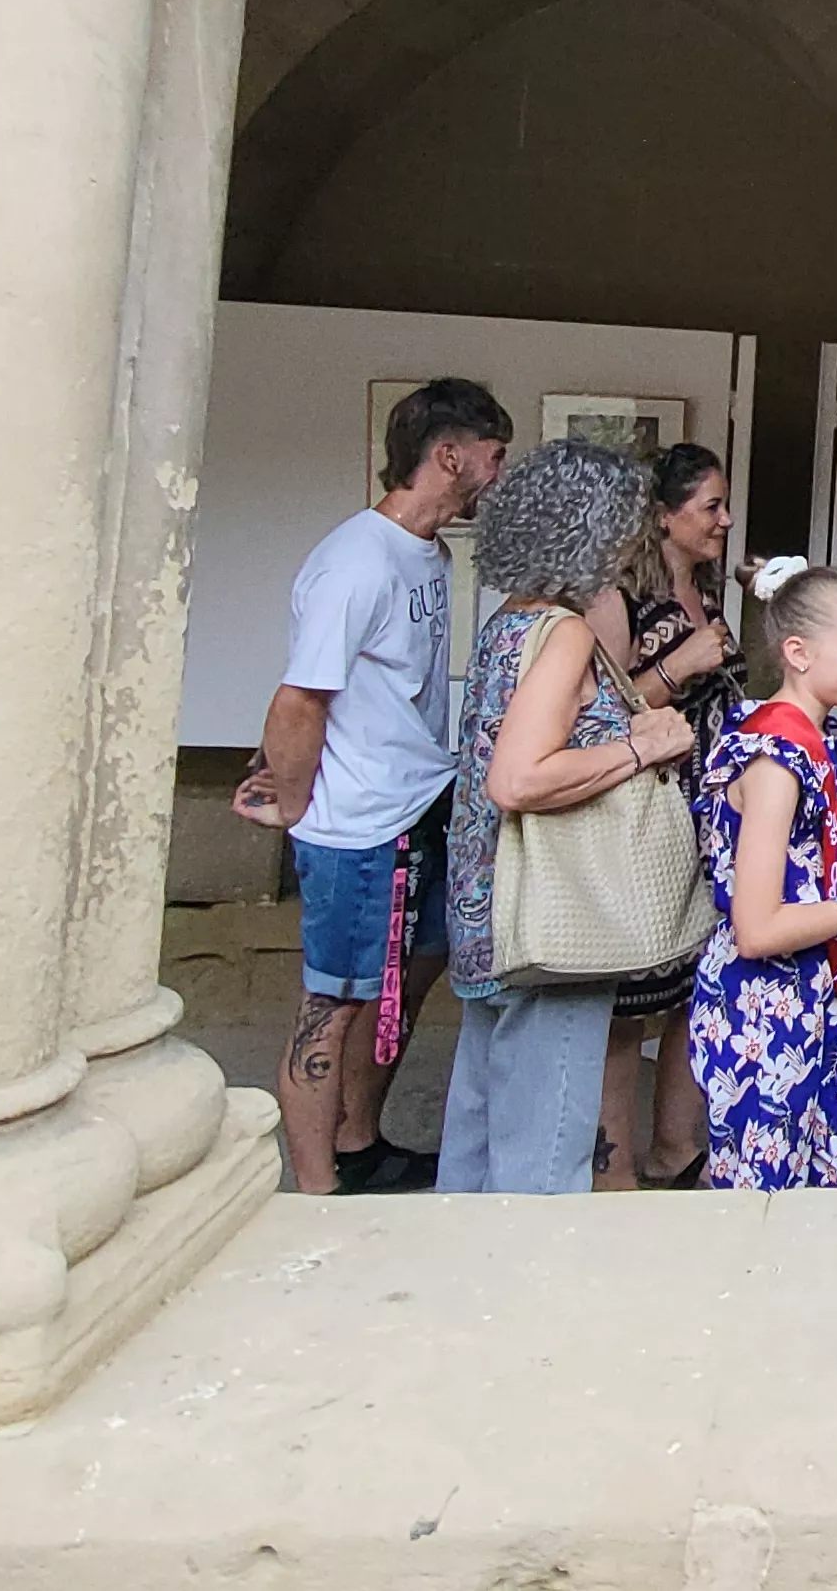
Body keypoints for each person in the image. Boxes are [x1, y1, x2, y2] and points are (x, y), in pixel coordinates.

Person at [234, 377, 510, 1195]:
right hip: (356, 829)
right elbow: (299, 699)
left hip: (419, 806)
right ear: (449, 455)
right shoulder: (354, 562)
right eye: (492, 457)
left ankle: (360, 1144)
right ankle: (318, 1193)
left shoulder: (428, 550)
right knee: (335, 1005)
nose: (497, 474)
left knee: (406, 983)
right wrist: (288, 800)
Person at [437, 440, 698, 1194]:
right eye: (628, 521)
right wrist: (642, 747)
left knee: (480, 1130)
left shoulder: (510, 623)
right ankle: (528, 1299)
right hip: (554, 915)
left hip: (490, 909)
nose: (639, 538)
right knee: (545, 1151)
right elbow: (519, 777)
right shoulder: (566, 633)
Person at [689, 560, 837, 1190]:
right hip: (763, 1012)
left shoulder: (815, 741)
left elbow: (827, 880)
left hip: (822, 995)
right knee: (764, 1212)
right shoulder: (775, 761)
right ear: (797, 652)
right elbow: (759, 929)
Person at [585, 442, 743, 1188]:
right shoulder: (618, 597)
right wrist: (681, 666)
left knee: (695, 987)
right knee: (627, 1004)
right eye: (710, 506)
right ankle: (611, 1168)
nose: (725, 520)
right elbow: (602, 715)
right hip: (648, 819)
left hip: (708, 819)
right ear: (662, 516)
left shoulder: (706, 593)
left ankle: (675, 1145)